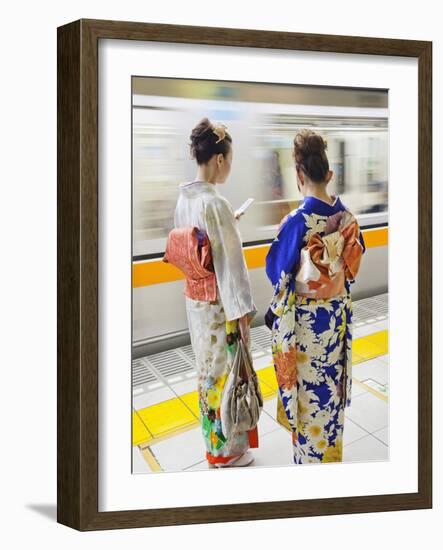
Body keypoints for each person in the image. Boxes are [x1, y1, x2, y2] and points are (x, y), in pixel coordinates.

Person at [265, 129, 366, 464]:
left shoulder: (295, 221)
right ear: (330, 174)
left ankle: (310, 465)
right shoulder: (348, 218)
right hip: (335, 320)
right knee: (331, 392)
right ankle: (331, 456)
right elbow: (352, 267)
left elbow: (277, 273)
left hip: (307, 328)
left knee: (309, 399)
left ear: (299, 175)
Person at [173, 117, 258, 468]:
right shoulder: (216, 203)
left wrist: (227, 225)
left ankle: (211, 445)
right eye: (230, 160)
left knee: (207, 374)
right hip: (221, 308)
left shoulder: (185, 199)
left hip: (196, 303)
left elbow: (198, 249)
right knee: (227, 376)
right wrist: (242, 316)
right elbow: (231, 268)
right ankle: (228, 452)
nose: (229, 168)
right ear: (219, 159)